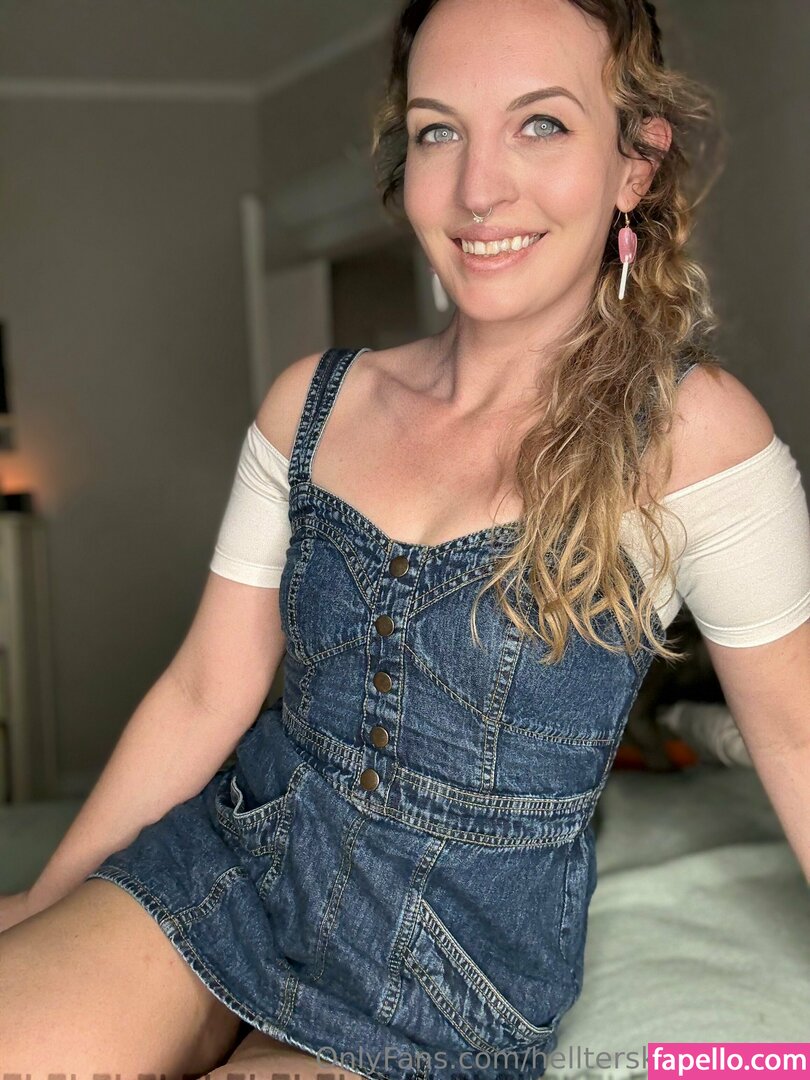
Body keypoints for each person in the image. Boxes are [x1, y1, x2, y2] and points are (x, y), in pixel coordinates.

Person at [1, 0, 808, 1078]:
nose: (478, 188)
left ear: (636, 162)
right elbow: (204, 690)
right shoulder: (313, 403)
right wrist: (50, 901)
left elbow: (797, 740)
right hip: (232, 868)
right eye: (438, 130)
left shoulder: (695, 438)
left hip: (442, 985)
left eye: (540, 123)